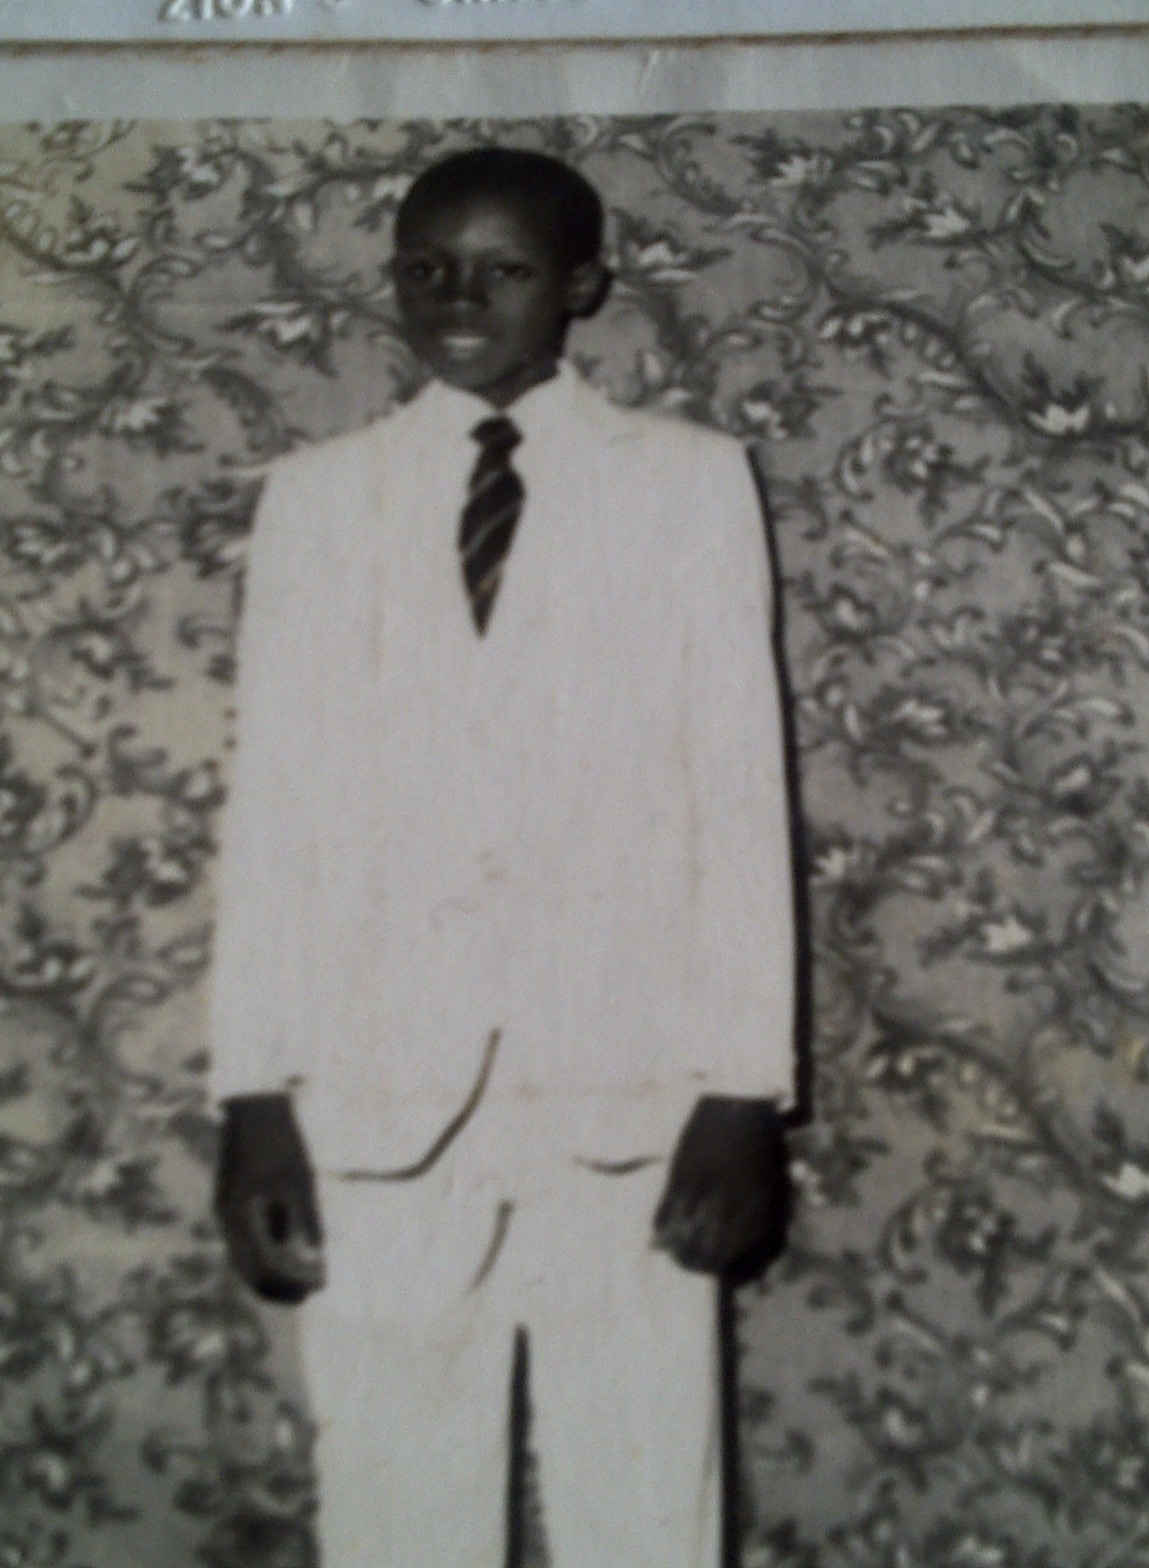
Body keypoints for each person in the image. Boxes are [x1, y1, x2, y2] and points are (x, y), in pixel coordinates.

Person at [210, 145, 797, 1568]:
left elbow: (736, 794)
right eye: (426, 269)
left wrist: (743, 1092)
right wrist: (251, 1097)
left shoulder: (688, 485)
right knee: (397, 1510)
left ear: (582, 285)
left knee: (641, 1508)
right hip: (376, 1095)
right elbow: (273, 809)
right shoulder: (318, 496)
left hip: (627, 1094)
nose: (458, 298)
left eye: (503, 270)